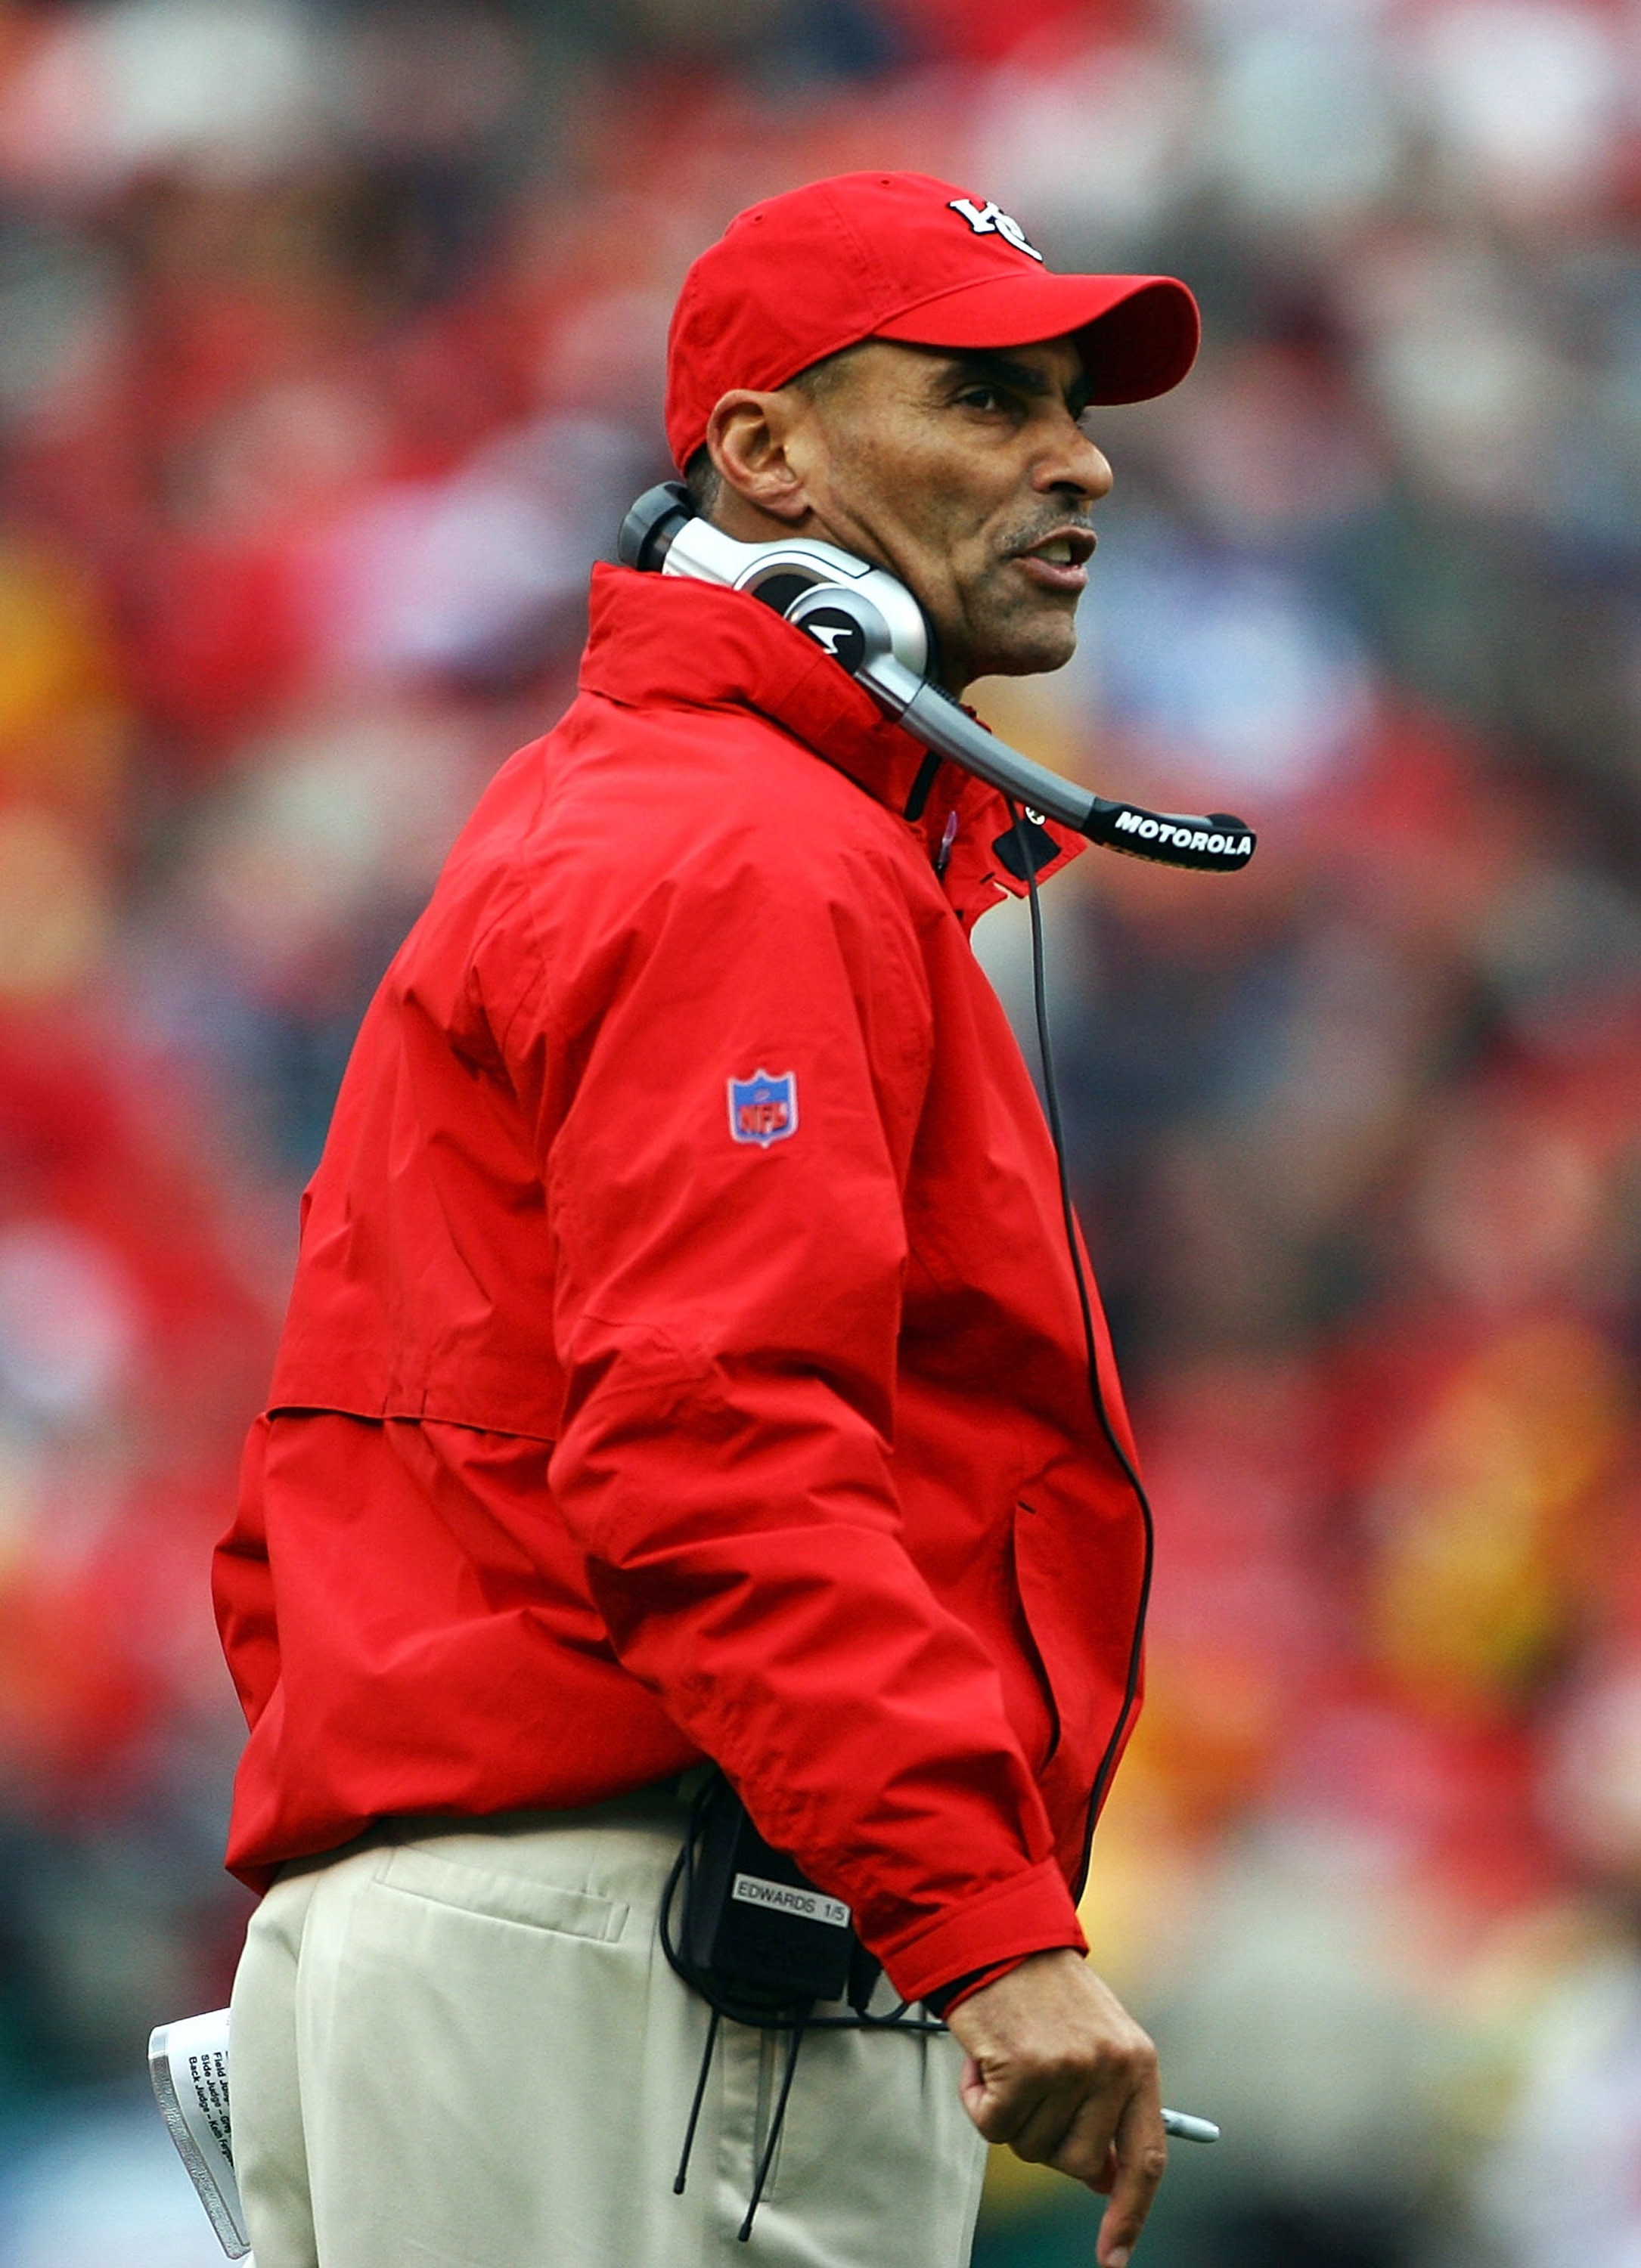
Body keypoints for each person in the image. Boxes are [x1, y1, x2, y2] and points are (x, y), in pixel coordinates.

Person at [212, 169, 1202, 2268]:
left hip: (491, 1944)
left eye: (1071, 405)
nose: (1078, 459)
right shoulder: (749, 856)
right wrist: (988, 1932)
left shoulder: (617, 810)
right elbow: (714, 1443)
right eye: (986, 401)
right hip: (643, 1959)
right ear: (761, 453)